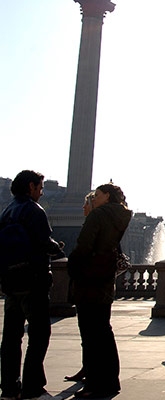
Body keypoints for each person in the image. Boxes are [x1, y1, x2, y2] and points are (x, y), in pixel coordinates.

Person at [0, 170, 64, 400]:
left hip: (10, 283)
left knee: (11, 338)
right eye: (40, 187)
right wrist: (57, 247)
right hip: (33, 280)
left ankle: (9, 387)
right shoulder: (34, 210)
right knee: (39, 335)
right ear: (30, 186)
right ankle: (33, 387)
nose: (41, 191)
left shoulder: (7, 210)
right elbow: (43, 241)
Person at [67, 183, 132, 399]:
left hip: (89, 278)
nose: (94, 197)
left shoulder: (98, 216)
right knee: (104, 332)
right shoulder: (119, 216)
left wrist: (72, 266)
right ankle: (110, 381)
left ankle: (94, 384)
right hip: (105, 278)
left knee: (91, 334)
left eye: (97, 194)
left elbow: (84, 245)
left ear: (107, 196)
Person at [64, 191, 96, 383]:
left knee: (93, 332)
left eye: (87, 204)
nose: (83, 208)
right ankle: (89, 369)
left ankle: (95, 374)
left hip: (91, 285)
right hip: (90, 285)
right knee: (90, 333)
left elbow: (83, 252)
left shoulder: (96, 225)